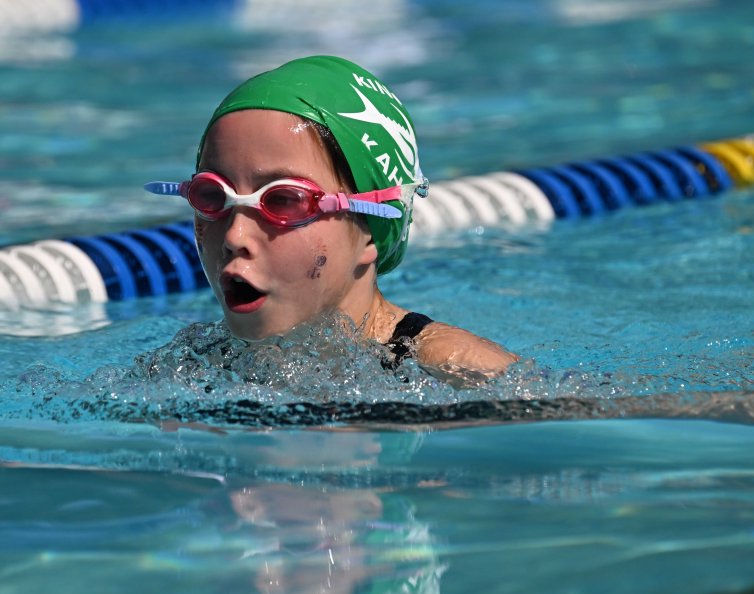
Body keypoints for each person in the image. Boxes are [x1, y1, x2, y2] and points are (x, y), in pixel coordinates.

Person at [146, 55, 516, 381]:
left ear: (369, 230)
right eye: (212, 195)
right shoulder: (191, 366)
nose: (234, 236)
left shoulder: (456, 370)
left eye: (284, 200)